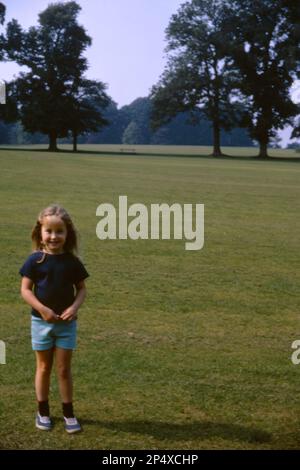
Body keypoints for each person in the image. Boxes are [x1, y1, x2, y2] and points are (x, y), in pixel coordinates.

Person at [19, 205, 89, 434]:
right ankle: (43, 411)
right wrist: (43, 310)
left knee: (63, 369)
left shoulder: (72, 262)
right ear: (40, 232)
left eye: (59, 231)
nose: (53, 236)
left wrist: (73, 307)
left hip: (66, 325)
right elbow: (26, 291)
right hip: (41, 323)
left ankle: (68, 413)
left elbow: (81, 290)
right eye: (49, 231)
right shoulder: (34, 261)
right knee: (43, 367)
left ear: (67, 234)